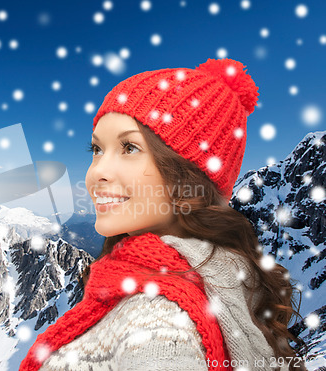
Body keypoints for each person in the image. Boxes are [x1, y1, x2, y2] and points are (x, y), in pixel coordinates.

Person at [19, 58, 306, 371]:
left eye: (129, 147)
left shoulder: (158, 323)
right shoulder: (225, 275)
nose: (96, 172)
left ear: (188, 176)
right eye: (96, 149)